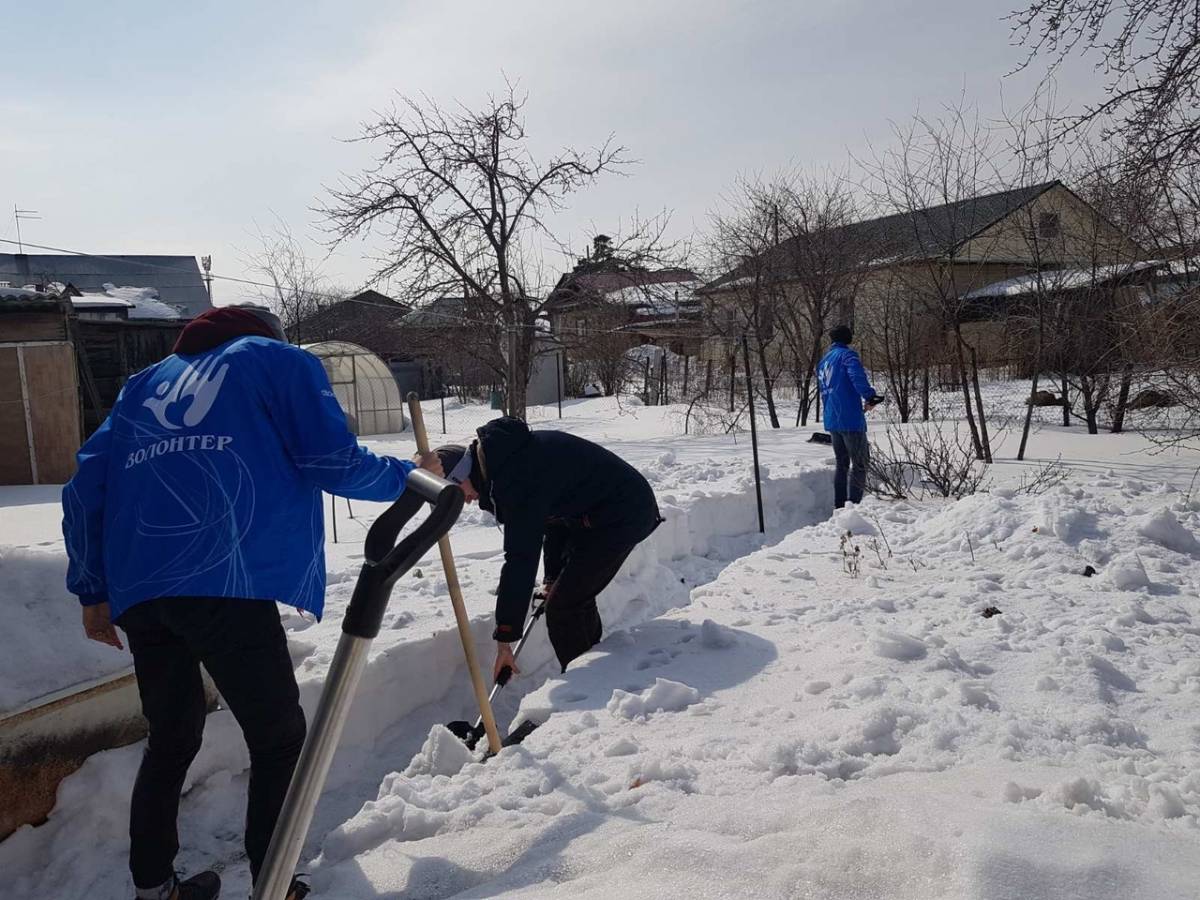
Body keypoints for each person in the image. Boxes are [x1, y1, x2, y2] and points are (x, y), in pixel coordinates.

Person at [63, 305, 441, 900]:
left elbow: (84, 489)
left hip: (141, 587)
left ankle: (153, 888)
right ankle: (274, 880)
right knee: (278, 736)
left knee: (172, 736)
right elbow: (329, 459)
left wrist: (92, 590)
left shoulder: (144, 384)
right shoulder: (276, 360)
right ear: (268, 336)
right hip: (222, 571)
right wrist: (409, 476)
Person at [435, 417, 662, 679]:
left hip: (623, 514)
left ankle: (587, 684)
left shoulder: (515, 476)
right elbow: (552, 520)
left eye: (455, 492)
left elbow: (521, 559)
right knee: (573, 595)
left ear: (461, 473)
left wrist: (505, 637)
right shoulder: (507, 460)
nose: (464, 502)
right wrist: (553, 576)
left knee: (564, 607)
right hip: (601, 514)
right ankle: (597, 667)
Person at [816, 324, 884, 509]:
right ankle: (854, 507)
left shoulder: (823, 361)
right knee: (860, 464)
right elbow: (856, 376)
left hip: (832, 418)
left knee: (842, 464)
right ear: (847, 338)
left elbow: (825, 391)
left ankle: (839, 506)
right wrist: (870, 396)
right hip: (850, 418)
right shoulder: (847, 355)